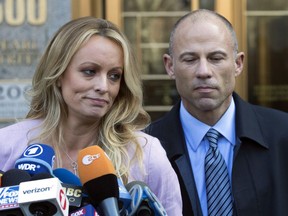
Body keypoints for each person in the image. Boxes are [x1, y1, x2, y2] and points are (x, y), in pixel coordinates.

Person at [0, 17, 182, 214]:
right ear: (59, 74)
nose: (103, 87)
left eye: (114, 76)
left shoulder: (145, 155)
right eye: (89, 71)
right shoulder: (7, 146)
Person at [145, 9, 288, 216]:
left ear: (238, 64)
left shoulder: (282, 136)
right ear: (170, 66)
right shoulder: (145, 149)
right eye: (190, 59)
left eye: (216, 58)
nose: (204, 71)